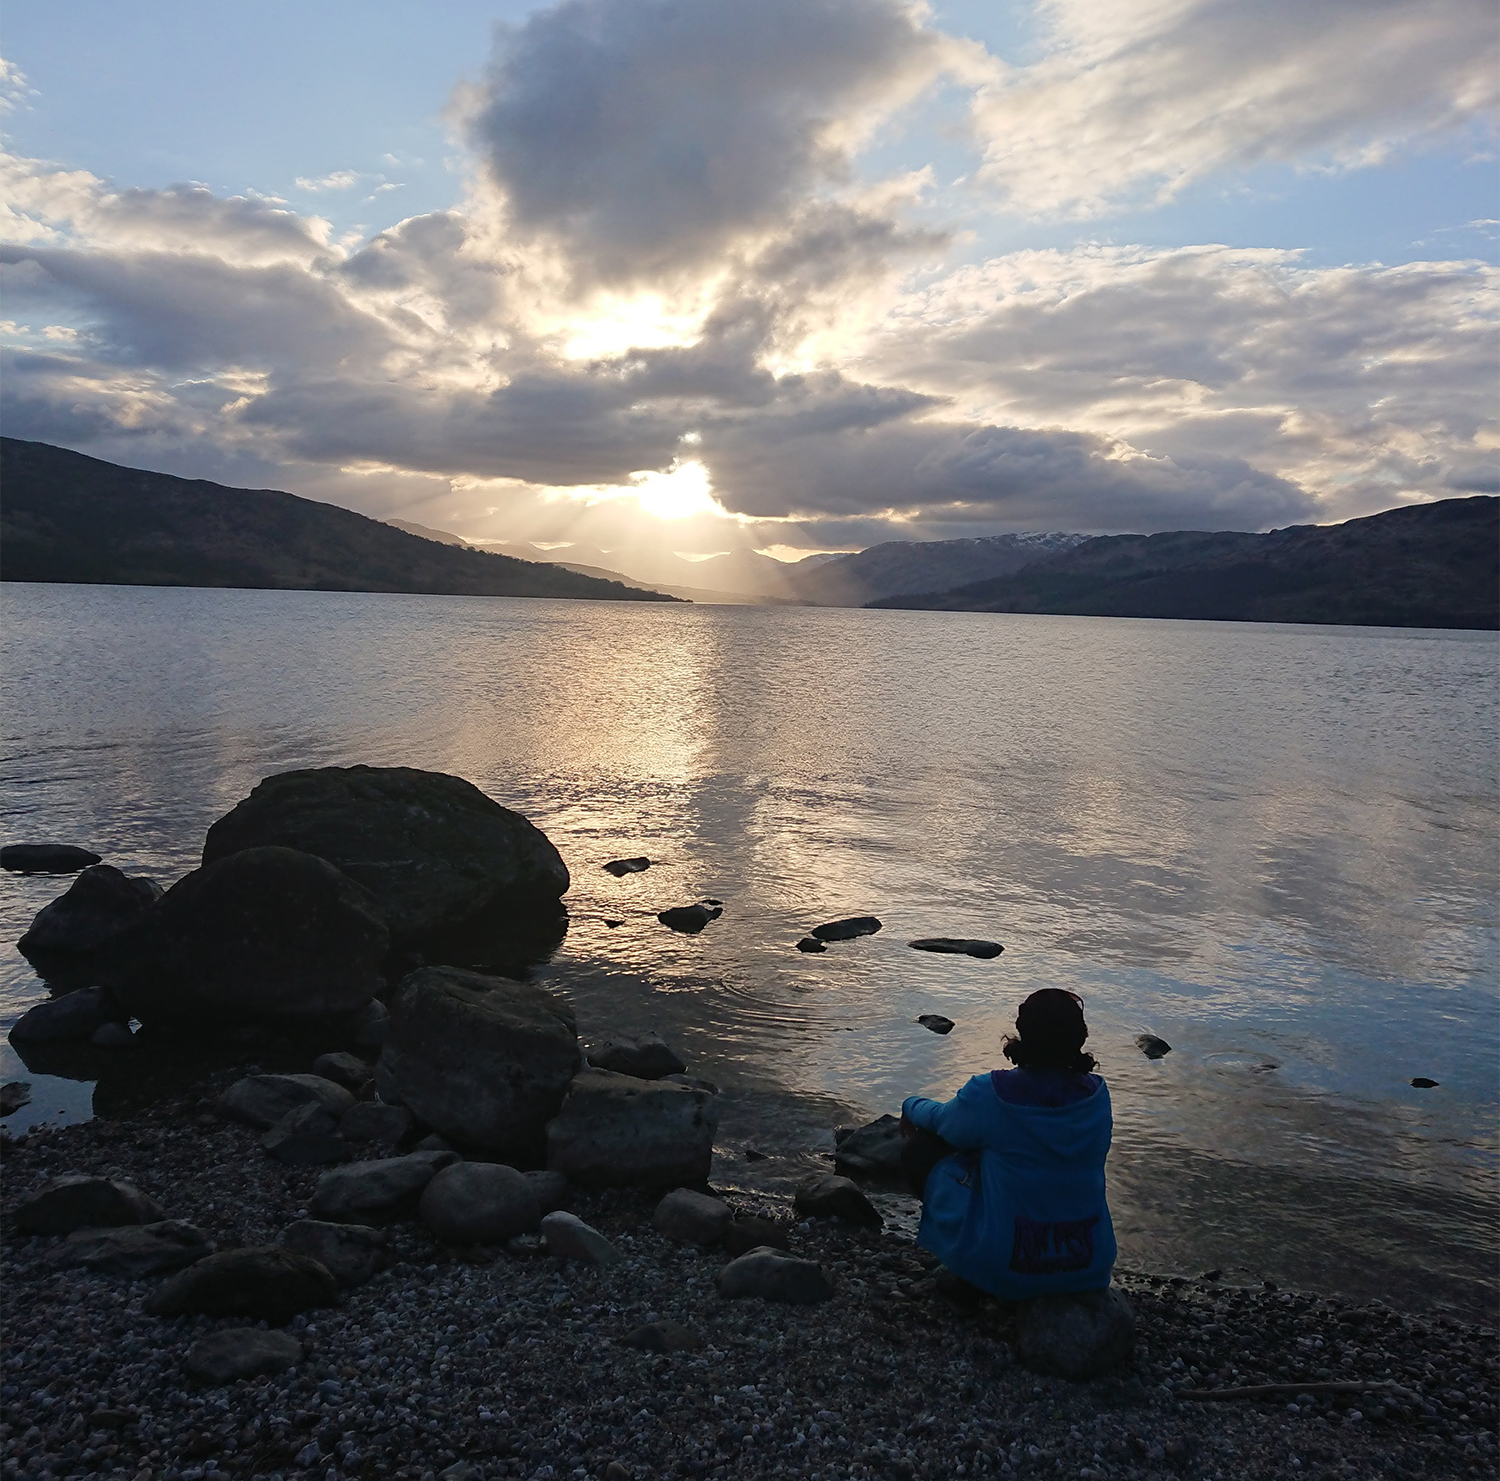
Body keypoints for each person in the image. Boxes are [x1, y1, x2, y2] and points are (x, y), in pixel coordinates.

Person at [899, 987, 1116, 1300]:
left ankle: (972, 1270)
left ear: (1023, 1031)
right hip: (1090, 1267)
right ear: (1080, 1037)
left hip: (1009, 1269)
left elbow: (942, 1122)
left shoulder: (991, 1093)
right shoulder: (1097, 1095)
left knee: (922, 1150)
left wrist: (910, 1105)